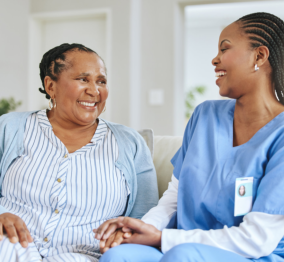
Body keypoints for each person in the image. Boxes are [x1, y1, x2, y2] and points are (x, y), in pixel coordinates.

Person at [95, 12, 284, 262]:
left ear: (259, 56)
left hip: (250, 254)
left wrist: (164, 239)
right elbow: (173, 197)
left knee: (182, 256)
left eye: (224, 48)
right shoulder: (205, 116)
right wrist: (140, 229)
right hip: (180, 245)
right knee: (119, 256)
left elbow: (256, 239)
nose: (214, 59)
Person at [0, 43, 158, 261]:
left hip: (83, 255)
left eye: (101, 81)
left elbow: (146, 216)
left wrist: (125, 233)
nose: (94, 90)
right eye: (83, 79)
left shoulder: (130, 143)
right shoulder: (9, 127)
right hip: (10, 244)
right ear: (50, 86)